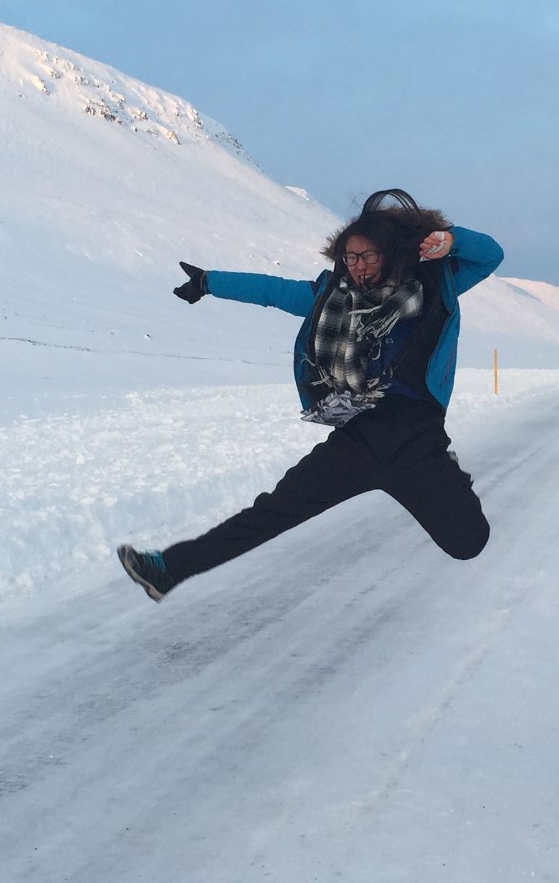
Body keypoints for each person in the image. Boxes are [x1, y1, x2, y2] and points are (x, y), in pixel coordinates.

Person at [116, 190, 503, 601]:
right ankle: (168, 570)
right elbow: (273, 291)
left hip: (417, 438)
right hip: (360, 433)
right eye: (350, 258)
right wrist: (209, 282)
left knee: (468, 543)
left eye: (369, 256)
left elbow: (490, 255)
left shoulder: (436, 286)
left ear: (392, 252)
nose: (358, 267)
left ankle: (451, 475)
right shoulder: (330, 296)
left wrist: (449, 239)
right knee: (271, 512)